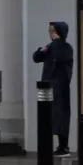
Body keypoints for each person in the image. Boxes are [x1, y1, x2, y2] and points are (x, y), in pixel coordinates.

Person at [33, 21, 74, 158]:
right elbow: (37, 58)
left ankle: (63, 146)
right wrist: (41, 51)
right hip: (51, 87)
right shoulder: (52, 47)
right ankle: (59, 146)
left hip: (59, 86)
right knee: (54, 116)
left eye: (52, 32)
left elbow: (59, 58)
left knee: (59, 116)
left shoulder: (62, 47)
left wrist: (46, 49)